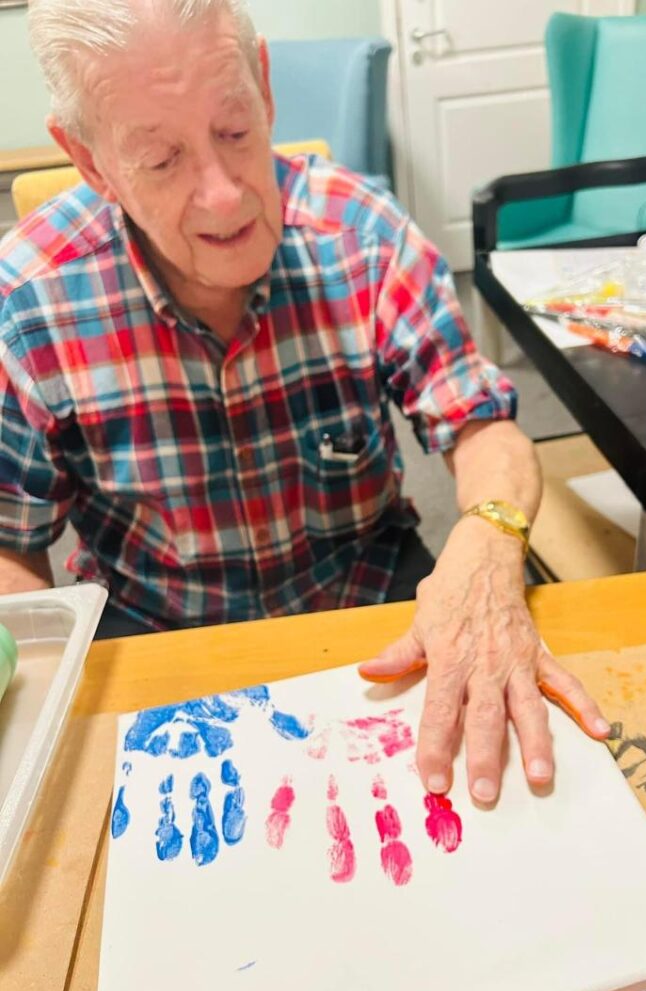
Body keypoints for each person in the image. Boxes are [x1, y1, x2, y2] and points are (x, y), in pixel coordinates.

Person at [0, 0, 610, 807]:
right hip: (155, 641)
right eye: (159, 159)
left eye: (233, 131)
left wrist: (491, 547)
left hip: (373, 614)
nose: (224, 197)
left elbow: (480, 427)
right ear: (89, 160)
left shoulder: (364, 233)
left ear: (263, 85)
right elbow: (13, 545)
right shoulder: (26, 303)